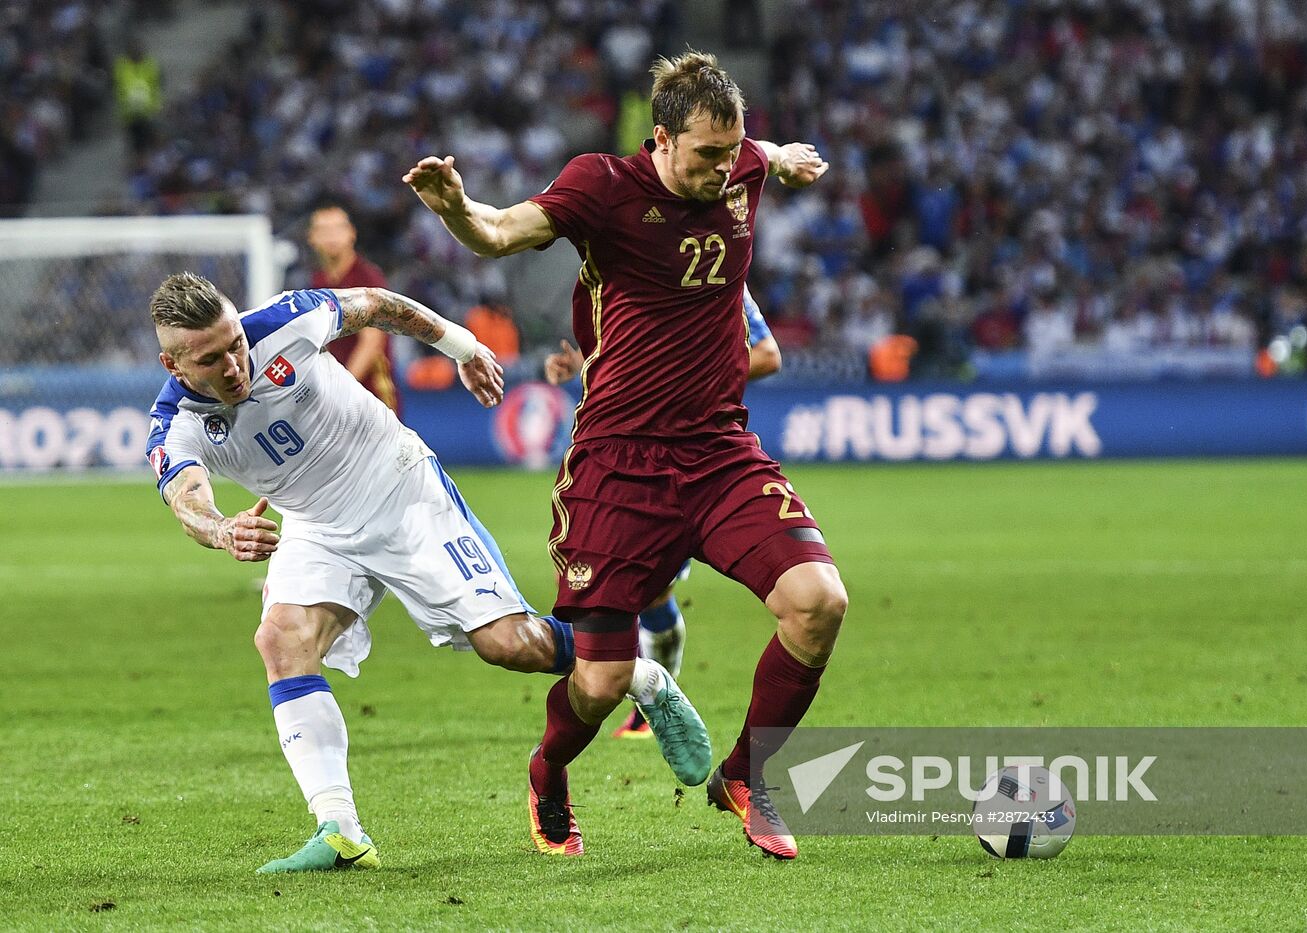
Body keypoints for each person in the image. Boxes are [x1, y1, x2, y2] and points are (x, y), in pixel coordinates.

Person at [405, 50, 847, 860]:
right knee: (604, 680)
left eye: (734, 151)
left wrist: (785, 158)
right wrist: (457, 209)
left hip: (720, 453)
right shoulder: (602, 186)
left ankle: (747, 773)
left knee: (819, 601)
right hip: (619, 465)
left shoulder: (740, 166)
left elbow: (762, 155)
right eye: (708, 154)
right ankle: (548, 767)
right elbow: (500, 232)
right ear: (662, 139)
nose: (725, 169)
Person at [144, 272, 704, 872]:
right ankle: (340, 830)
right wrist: (222, 530)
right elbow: (187, 499)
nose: (234, 364)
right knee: (281, 640)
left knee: (509, 645)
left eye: (235, 343)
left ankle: (640, 675)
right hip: (316, 525)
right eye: (211, 359)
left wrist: (463, 347)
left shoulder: (285, 322)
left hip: (399, 487)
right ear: (173, 365)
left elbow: (377, 306)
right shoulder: (174, 423)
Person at [543, 284, 782, 739]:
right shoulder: (636, 274)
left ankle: (646, 708)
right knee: (636, 592)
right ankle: (644, 696)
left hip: (692, 453)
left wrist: (684, 380)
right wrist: (586, 367)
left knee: (649, 591)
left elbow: (768, 355)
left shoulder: (719, 274)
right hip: (626, 456)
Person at [307, 201, 400, 414]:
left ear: (351, 233)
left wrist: (341, 389)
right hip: (337, 393)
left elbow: (371, 342)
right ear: (312, 237)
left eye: (338, 228)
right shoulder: (318, 281)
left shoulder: (367, 279)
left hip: (372, 392)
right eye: (324, 230)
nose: (332, 236)